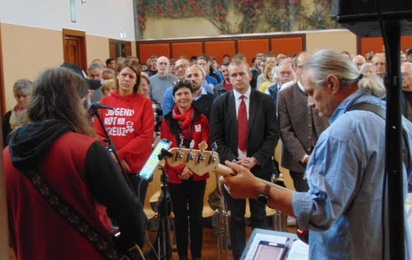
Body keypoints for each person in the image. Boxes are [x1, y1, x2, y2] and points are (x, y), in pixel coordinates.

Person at [221, 49, 412, 260]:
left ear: (332, 83)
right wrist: (257, 183)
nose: (310, 103)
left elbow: (319, 211)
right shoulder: (394, 119)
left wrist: (257, 188)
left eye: (311, 93)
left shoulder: (343, 132)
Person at [4, 67, 146, 260]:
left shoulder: (7, 156)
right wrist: (124, 245)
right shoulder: (85, 149)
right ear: (73, 104)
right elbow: (129, 212)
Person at [210, 58, 278, 260]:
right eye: (234, 75)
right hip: (232, 169)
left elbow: (272, 135)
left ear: (250, 75)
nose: (238, 78)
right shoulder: (220, 103)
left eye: (242, 73)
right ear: (228, 78)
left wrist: (255, 159)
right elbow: (217, 139)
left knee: (259, 216)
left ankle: (263, 256)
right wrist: (233, 161)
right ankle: (240, 256)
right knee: (236, 217)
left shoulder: (264, 101)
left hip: (259, 168)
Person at [160, 80, 210, 260]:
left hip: (198, 173)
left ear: (192, 96)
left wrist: (190, 167)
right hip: (175, 175)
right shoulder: (167, 121)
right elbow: (166, 148)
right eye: (179, 94)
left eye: (186, 93)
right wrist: (182, 168)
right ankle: (182, 256)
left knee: (196, 218)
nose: (183, 97)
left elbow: (205, 146)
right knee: (180, 218)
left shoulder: (202, 118)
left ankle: (196, 256)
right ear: (174, 98)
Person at [94, 58, 155, 205]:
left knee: (134, 213)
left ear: (136, 81)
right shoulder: (105, 103)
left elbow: (146, 137)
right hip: (111, 166)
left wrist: (119, 155)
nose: (126, 79)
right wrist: (113, 157)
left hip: (135, 168)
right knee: (113, 213)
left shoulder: (145, 103)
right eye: (124, 75)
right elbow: (98, 133)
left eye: (131, 77)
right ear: (117, 76)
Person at [277, 52, 329, 193]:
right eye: (302, 67)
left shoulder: (326, 90)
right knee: (307, 207)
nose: (307, 70)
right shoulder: (285, 95)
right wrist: (304, 157)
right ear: (295, 70)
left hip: (326, 159)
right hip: (299, 163)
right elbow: (285, 130)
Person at [2, 79, 33, 148]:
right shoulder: (8, 116)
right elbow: (4, 140)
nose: (21, 99)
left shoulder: (36, 115)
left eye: (24, 96)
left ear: (32, 95)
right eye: (18, 96)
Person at [140, 74, 163, 144]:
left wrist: (155, 143)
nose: (141, 88)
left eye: (143, 85)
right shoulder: (130, 104)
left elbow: (160, 127)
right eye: (139, 85)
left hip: (152, 143)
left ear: (148, 86)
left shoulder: (156, 105)